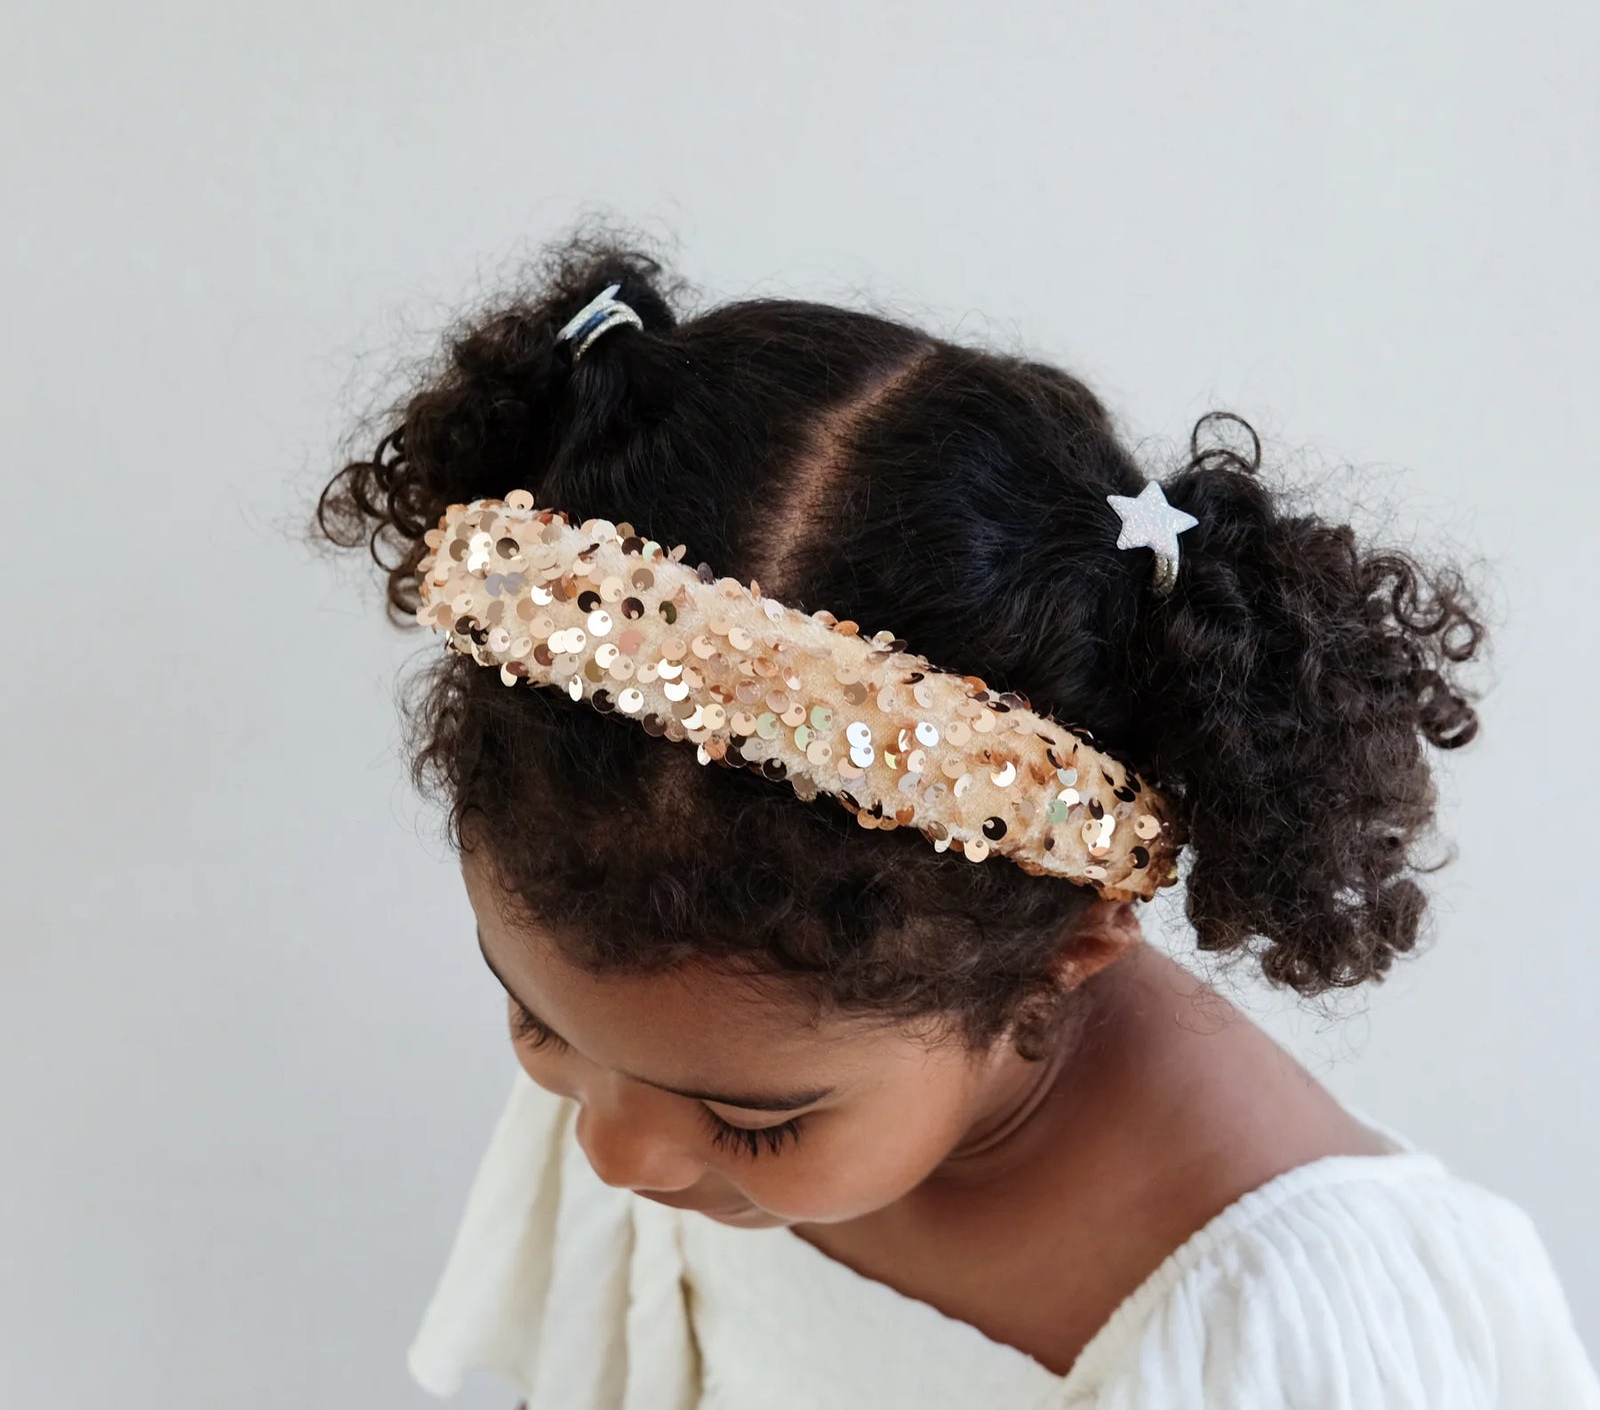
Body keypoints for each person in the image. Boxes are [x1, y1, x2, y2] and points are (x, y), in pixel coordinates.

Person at [314, 229, 1600, 1408]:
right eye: (533, 1020)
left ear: (1070, 942)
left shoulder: (1286, 1330)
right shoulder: (657, 1066)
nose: (612, 1152)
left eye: (760, 1125)